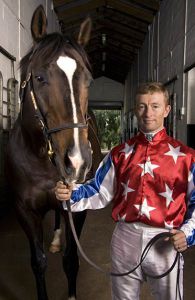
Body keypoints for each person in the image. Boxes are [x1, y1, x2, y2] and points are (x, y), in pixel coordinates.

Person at [55, 82, 195, 300]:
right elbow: (98, 190)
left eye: (155, 106)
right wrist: (71, 193)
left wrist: (188, 234)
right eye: (142, 106)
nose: (148, 113)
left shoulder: (187, 157)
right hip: (125, 239)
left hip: (165, 241)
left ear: (167, 110)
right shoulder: (119, 153)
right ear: (135, 110)